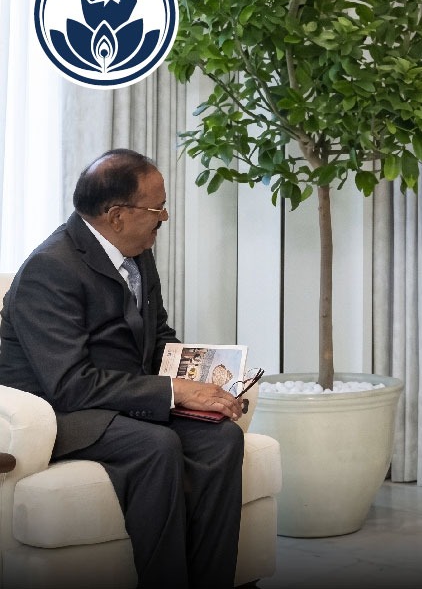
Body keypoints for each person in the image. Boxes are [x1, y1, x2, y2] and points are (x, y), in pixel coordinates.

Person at [0, 149, 246, 589]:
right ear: (117, 215)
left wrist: (203, 380)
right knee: (156, 445)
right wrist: (173, 391)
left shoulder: (136, 251)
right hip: (62, 412)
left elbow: (158, 335)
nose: (164, 217)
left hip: (122, 400)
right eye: (157, 209)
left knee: (222, 438)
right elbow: (69, 384)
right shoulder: (49, 269)